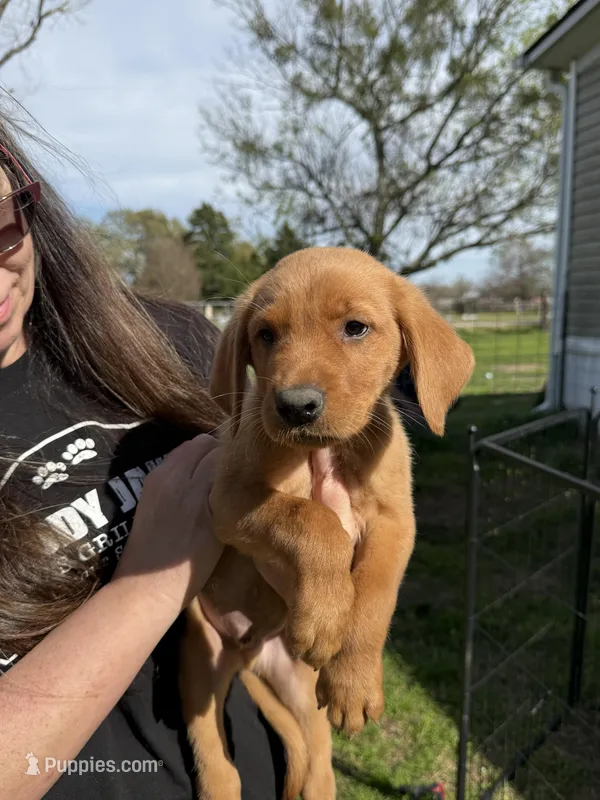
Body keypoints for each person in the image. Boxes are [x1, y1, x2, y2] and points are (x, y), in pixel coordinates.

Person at [0, 116, 356, 799]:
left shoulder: (167, 337)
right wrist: (151, 582)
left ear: (26, 189)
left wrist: (321, 550)